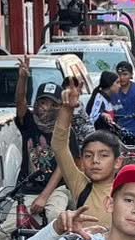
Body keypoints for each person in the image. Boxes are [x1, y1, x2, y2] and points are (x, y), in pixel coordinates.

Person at [48, 98, 121, 232]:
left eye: (103, 155)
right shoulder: (80, 186)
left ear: (117, 162)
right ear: (81, 162)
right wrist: (67, 108)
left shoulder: (125, 191)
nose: (95, 161)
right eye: (88, 155)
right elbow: (59, 145)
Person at [12, 63, 69, 214]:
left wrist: (44, 197)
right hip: (28, 189)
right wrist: (23, 78)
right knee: (10, 225)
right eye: (43, 102)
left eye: (52, 104)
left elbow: (62, 167)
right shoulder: (29, 122)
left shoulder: (64, 130)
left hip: (57, 189)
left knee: (55, 216)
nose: (46, 108)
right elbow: (20, 102)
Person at [108, 61, 135, 147]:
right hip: (116, 131)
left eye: (125, 74)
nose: (122, 77)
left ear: (131, 75)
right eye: (119, 74)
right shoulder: (112, 89)